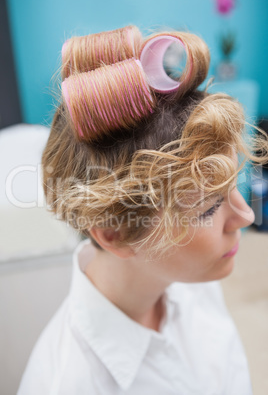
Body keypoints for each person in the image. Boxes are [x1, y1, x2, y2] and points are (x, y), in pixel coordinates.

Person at [17, 25, 268, 394]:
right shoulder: (71, 383)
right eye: (208, 208)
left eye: (234, 187)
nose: (246, 216)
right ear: (115, 233)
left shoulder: (192, 281)